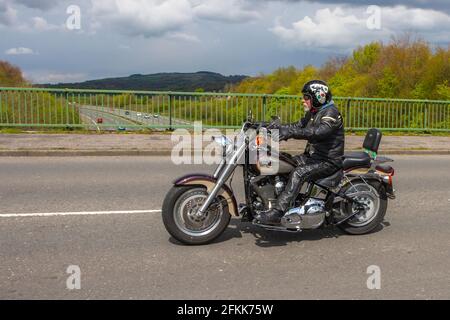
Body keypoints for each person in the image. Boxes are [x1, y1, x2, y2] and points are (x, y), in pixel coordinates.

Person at [256, 80, 345, 225]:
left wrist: (290, 133)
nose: (303, 100)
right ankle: (280, 199)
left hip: (327, 161)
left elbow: (319, 132)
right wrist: (269, 126)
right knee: (283, 160)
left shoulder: (331, 113)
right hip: (313, 157)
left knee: (298, 173)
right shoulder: (314, 113)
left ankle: (278, 212)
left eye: (306, 97)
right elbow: (297, 125)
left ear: (318, 97)